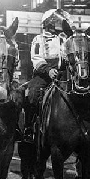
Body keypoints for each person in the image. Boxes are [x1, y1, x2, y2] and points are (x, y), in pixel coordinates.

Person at [22, 8, 72, 144]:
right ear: (48, 23)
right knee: (32, 93)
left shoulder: (64, 39)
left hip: (63, 74)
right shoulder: (39, 39)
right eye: (57, 21)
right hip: (43, 75)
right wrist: (48, 70)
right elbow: (36, 58)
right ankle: (29, 127)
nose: (60, 23)